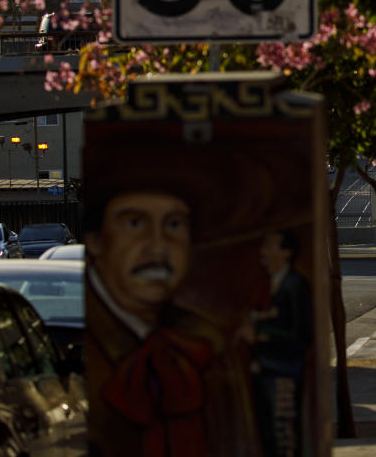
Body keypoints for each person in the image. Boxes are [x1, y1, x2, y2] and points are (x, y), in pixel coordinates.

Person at [83, 188, 257, 457]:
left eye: (174, 225)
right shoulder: (84, 342)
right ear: (95, 241)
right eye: (134, 223)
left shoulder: (207, 338)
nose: (157, 245)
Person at [240, 229, 312, 457]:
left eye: (271, 245)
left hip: (284, 372)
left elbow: (301, 333)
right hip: (265, 369)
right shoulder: (268, 285)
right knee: (268, 435)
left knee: (284, 436)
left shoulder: (294, 285)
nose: (264, 251)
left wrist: (263, 335)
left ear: (286, 253)